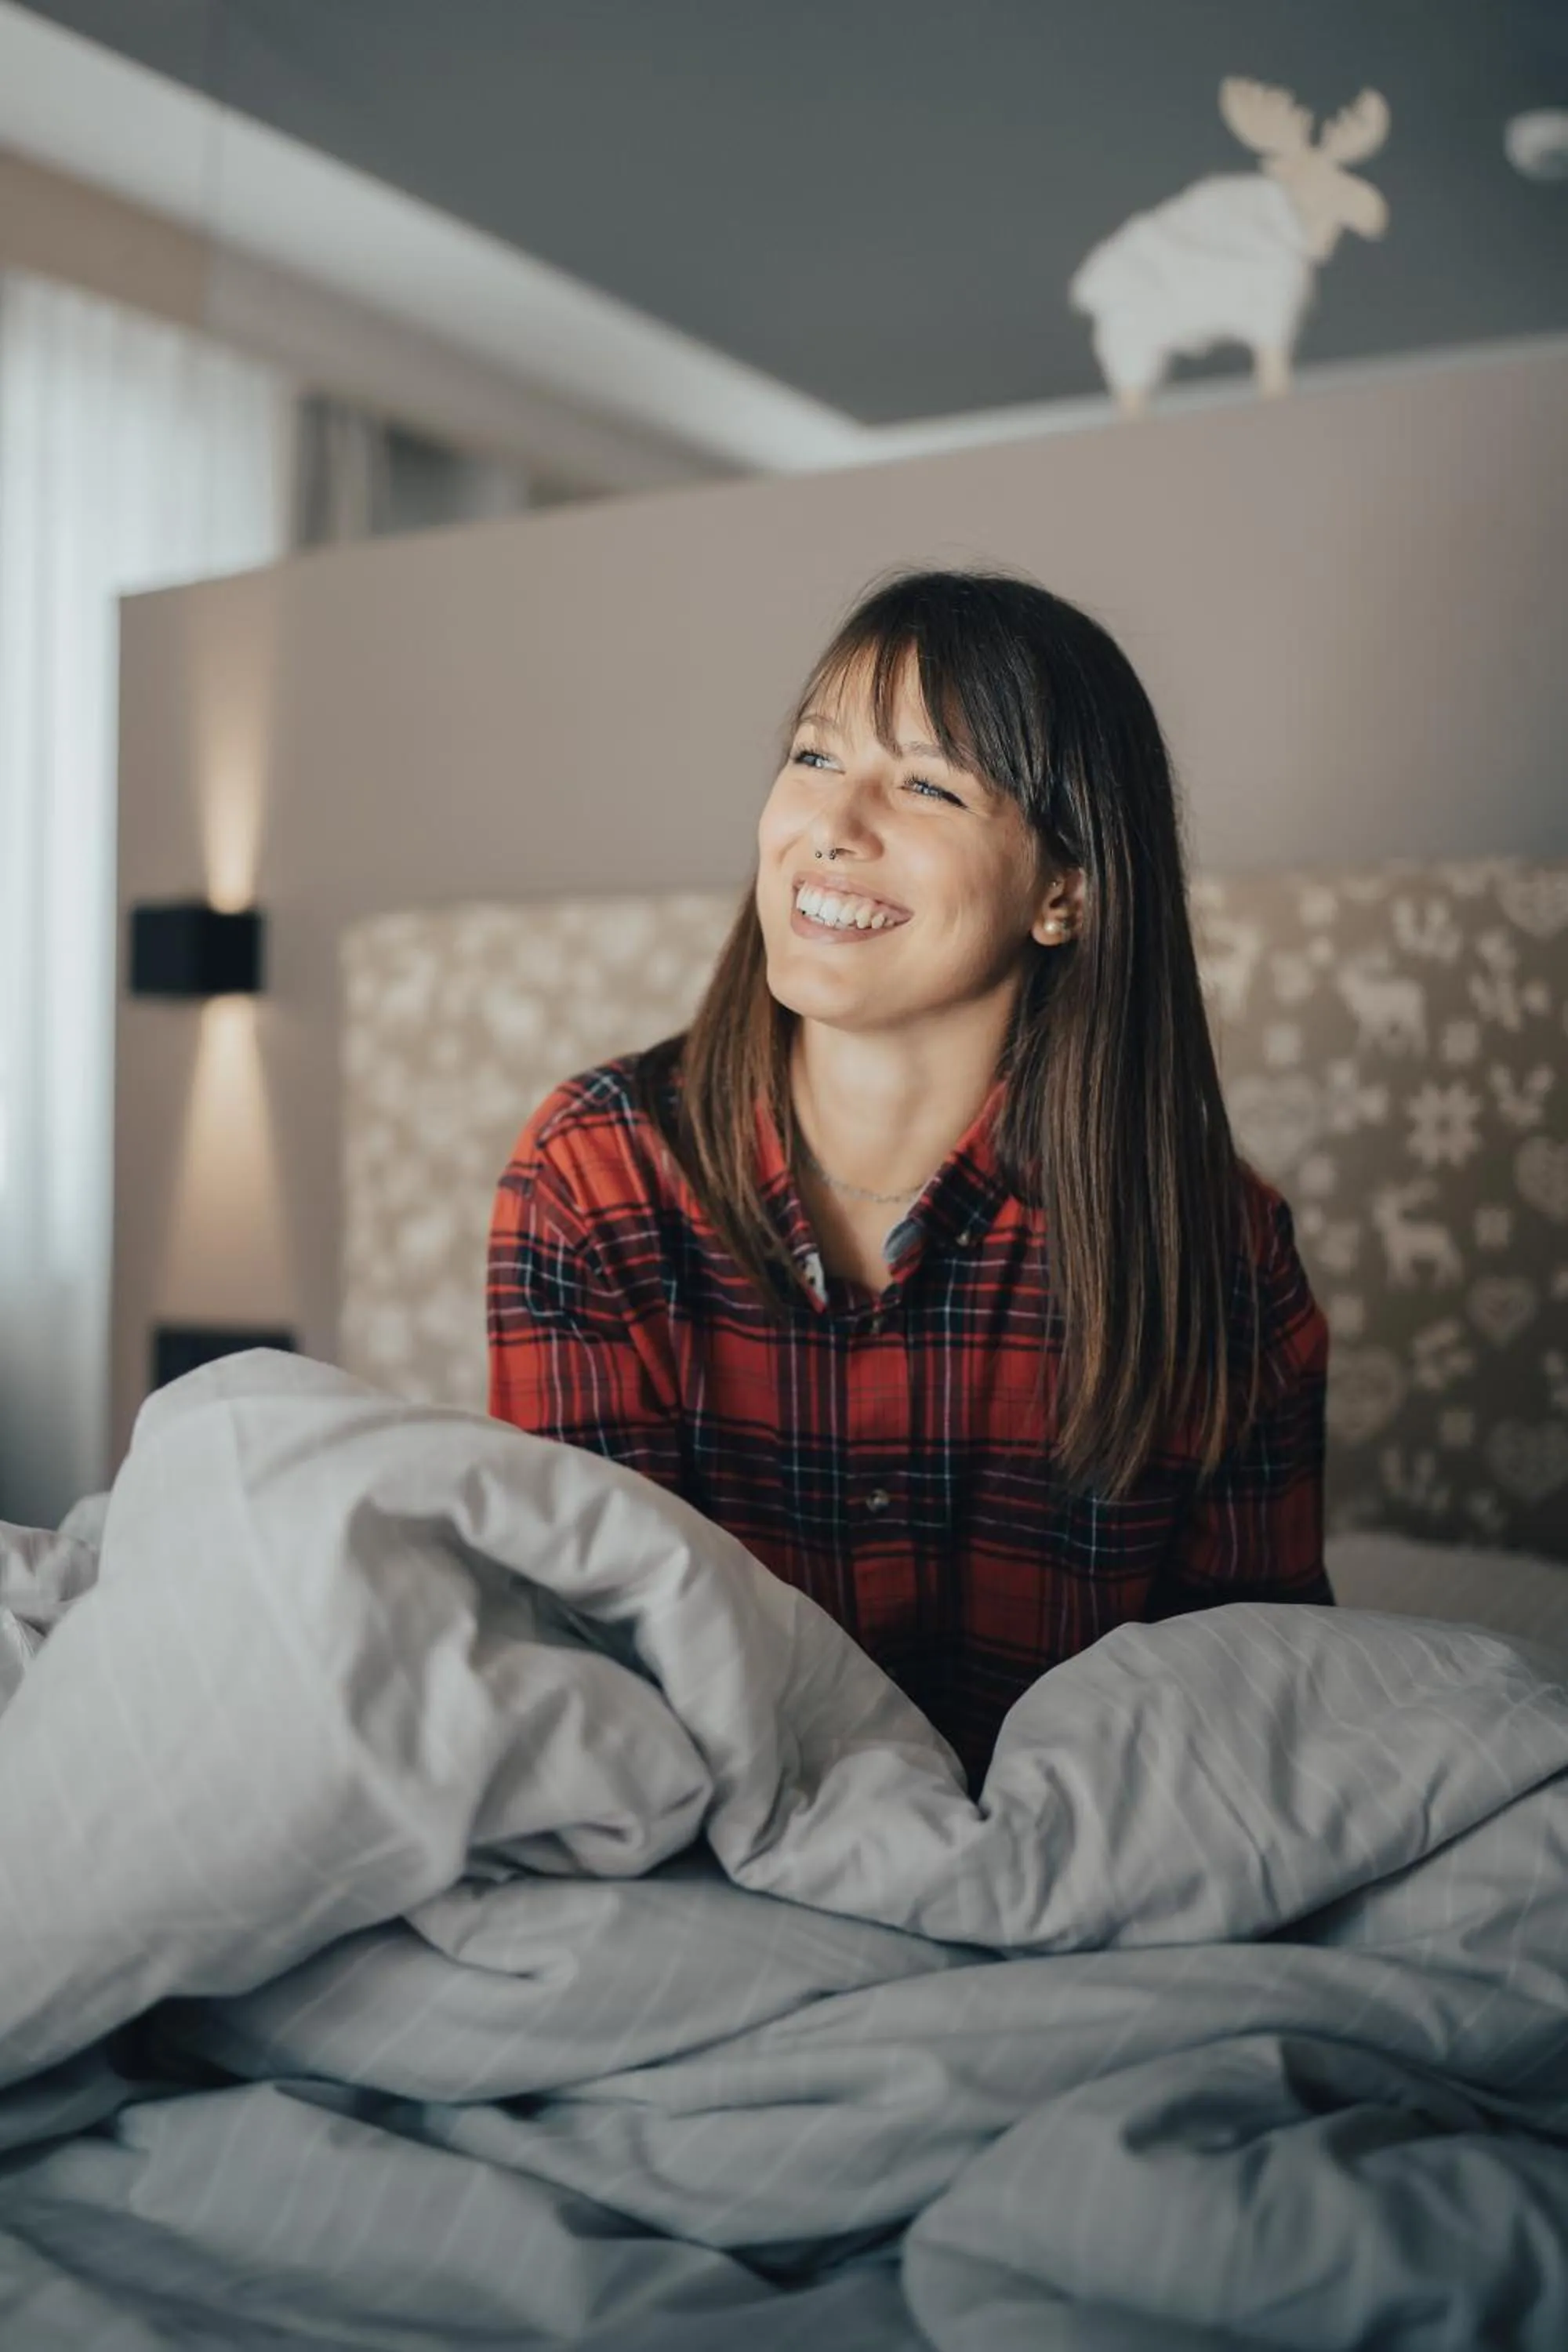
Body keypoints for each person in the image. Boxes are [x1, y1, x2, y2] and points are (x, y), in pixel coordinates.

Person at [488, 568, 1330, 1791]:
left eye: (928, 784)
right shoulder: (595, 1173)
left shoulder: (1217, 1250)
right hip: (703, 1858)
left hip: (1087, 1871)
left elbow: (1261, 1706)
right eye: (815, 758)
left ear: (1066, 892)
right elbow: (589, 1668)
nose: (833, 824)